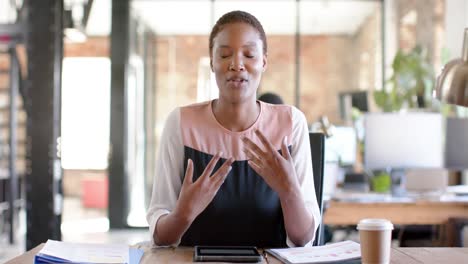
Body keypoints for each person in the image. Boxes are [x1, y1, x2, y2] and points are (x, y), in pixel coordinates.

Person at [146, 10, 320, 248]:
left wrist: (289, 191)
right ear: (212, 62)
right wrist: (183, 214)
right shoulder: (180, 124)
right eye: (225, 54)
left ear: (264, 62)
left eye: (249, 54)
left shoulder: (291, 123)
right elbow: (160, 238)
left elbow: (303, 239)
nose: (237, 65)